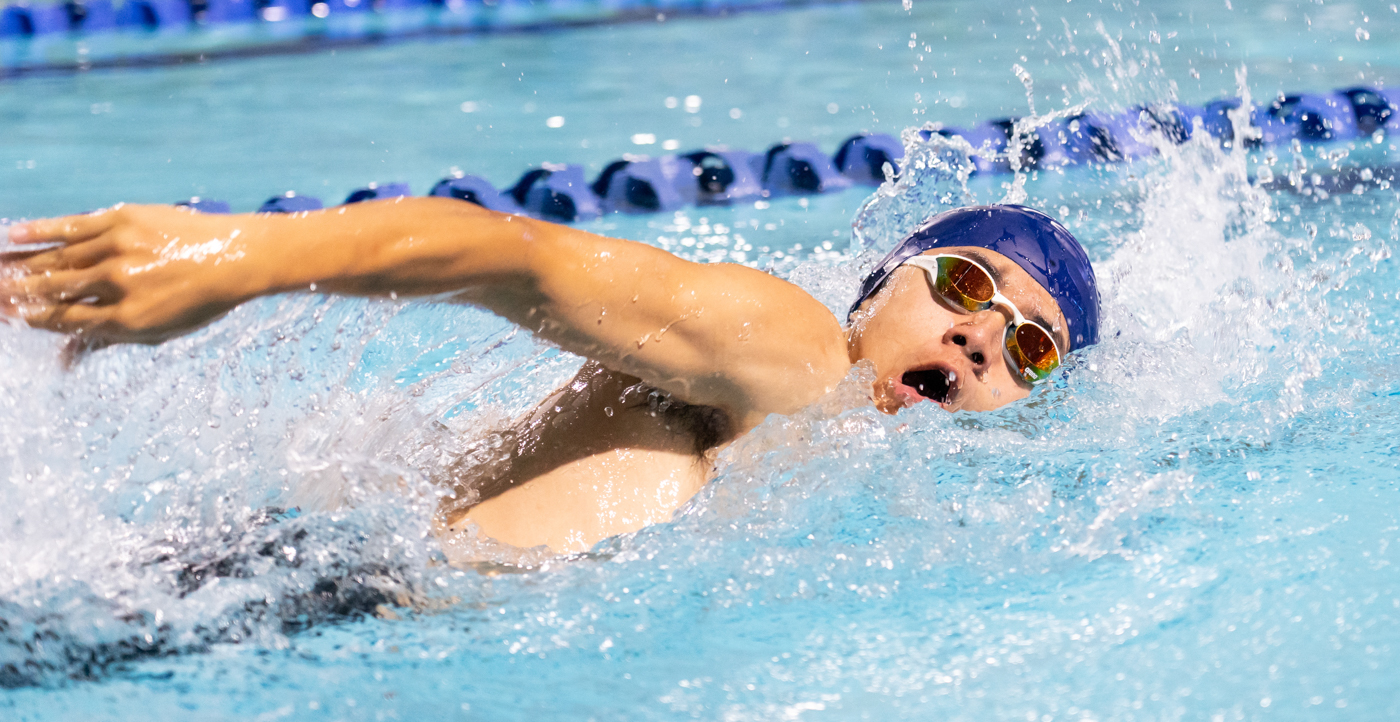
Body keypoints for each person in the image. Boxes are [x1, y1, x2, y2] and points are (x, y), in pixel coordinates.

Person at [0, 197, 1098, 557]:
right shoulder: (794, 348)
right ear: (879, 288)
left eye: (1029, 346)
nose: (978, 338)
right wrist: (243, 258)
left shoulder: (838, 467)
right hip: (299, 610)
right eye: (963, 283)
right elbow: (518, 259)